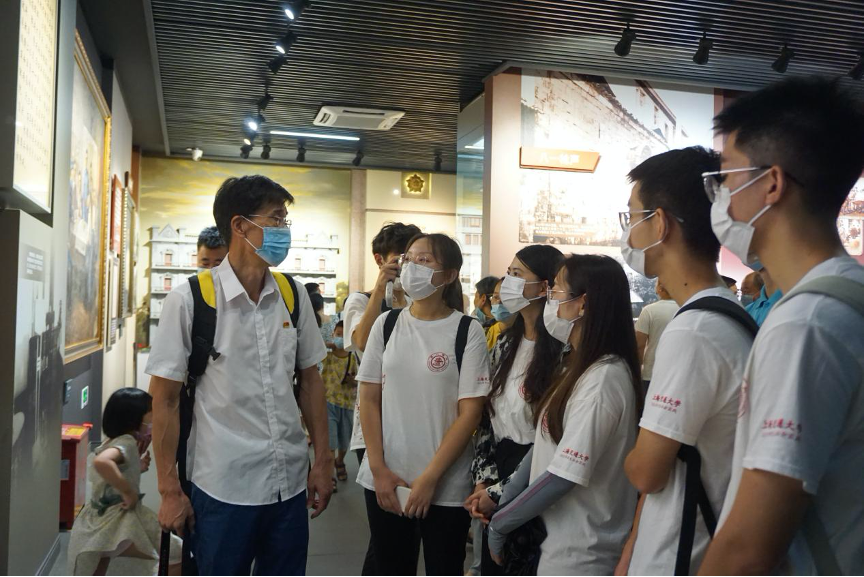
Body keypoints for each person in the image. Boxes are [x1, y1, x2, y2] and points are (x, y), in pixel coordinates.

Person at [698, 77, 864, 575]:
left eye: (725, 176)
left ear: (771, 183)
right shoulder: (847, 296)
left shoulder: (805, 324)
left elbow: (748, 548)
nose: (720, 196)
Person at [147, 175, 332, 576]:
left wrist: (323, 460)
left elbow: (311, 382)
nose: (283, 230)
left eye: (285, 220)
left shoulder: (292, 294)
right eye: (275, 219)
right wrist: (168, 489)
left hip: (289, 484)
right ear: (240, 225)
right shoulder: (190, 299)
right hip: (222, 487)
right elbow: (164, 399)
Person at [615, 147, 755, 576]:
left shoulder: (693, 331)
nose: (628, 231)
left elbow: (646, 472)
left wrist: (629, 455)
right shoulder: (727, 314)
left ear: (659, 223)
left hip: (678, 556)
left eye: (632, 215)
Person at [485, 254, 642, 575]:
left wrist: (501, 523)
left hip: (581, 551)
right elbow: (546, 443)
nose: (550, 300)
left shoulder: (604, 378)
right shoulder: (575, 366)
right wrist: (507, 499)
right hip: (553, 542)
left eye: (555, 290)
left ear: (582, 304)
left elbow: (563, 475)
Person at [356, 233, 491, 576]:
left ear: (449, 275)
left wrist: (430, 478)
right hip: (387, 480)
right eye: (409, 259)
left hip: (445, 485)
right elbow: (368, 398)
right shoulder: (387, 324)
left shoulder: (467, 330)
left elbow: (470, 413)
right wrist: (378, 469)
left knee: (444, 566)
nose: (412, 267)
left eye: (424, 260)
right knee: (390, 566)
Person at [467, 244, 565, 576]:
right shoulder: (505, 343)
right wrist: (484, 482)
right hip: (497, 469)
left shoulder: (563, 353)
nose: (507, 282)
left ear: (545, 286)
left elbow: (553, 438)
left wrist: (500, 493)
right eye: (508, 273)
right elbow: (486, 419)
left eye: (518, 274)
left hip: (535, 478)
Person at [342, 221, 421, 576]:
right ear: (379, 259)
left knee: (400, 535)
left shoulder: (424, 302)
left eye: (415, 258)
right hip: (374, 428)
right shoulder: (360, 300)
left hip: (416, 425)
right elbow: (359, 341)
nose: (408, 266)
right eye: (401, 258)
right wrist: (381, 287)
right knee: (387, 532)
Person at [68, 388, 182, 576]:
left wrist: (136, 466)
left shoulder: (110, 441)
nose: (153, 417)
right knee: (177, 554)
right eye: (150, 411)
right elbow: (102, 462)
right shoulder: (127, 442)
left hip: (97, 521)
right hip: (119, 521)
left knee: (98, 566)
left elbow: (110, 471)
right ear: (133, 417)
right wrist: (128, 492)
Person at [322, 322, 359, 492]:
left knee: (344, 440)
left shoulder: (353, 357)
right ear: (333, 335)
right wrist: (327, 345)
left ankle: (340, 461)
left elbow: (359, 380)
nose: (340, 339)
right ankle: (329, 476)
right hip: (328, 402)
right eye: (338, 334)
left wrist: (353, 381)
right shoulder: (326, 355)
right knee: (331, 441)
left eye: (344, 336)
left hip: (347, 404)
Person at [634, 280, 679, 396]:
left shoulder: (649, 311)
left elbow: (640, 345)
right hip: (678, 374)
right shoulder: (686, 309)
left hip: (652, 373)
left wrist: (637, 371)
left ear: (659, 288)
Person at [485, 277, 512, 351]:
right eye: (495, 297)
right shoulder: (485, 330)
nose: (499, 302)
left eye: (505, 298)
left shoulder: (523, 335)